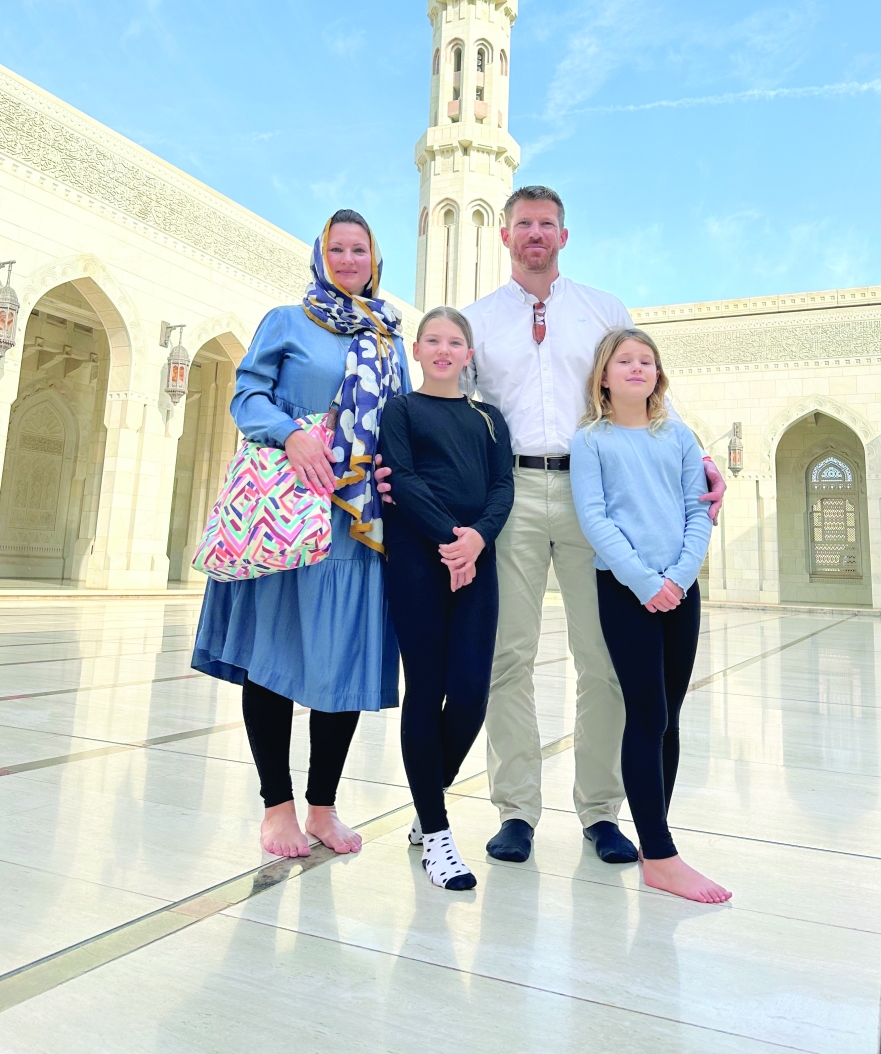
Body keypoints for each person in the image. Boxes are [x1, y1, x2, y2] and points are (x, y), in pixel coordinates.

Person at [449, 184, 725, 865]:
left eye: (546, 224)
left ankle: (601, 811)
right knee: (509, 655)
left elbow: (643, 389)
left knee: (602, 660)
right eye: (523, 224)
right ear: (505, 235)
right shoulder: (478, 320)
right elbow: (456, 409)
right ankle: (516, 810)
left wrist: (699, 459)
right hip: (511, 491)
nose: (535, 234)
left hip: (593, 494)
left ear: (563, 236)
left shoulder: (603, 309)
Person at [192, 210, 409, 859]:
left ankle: (322, 807)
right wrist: (292, 434)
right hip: (289, 509)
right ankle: (277, 807)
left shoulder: (388, 338)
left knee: (341, 658)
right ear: (320, 257)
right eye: (336, 249)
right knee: (276, 654)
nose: (348, 260)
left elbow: (399, 421)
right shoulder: (287, 321)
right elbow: (247, 397)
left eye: (358, 249)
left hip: (356, 520)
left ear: (375, 260)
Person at [571, 328, 729, 902]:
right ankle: (661, 857)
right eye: (624, 361)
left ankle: (653, 841)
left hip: (680, 591)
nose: (637, 368)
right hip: (624, 590)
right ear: (604, 376)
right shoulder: (591, 441)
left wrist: (679, 578)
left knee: (671, 717)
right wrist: (644, 581)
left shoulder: (679, 437)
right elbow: (595, 519)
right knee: (646, 713)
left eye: (647, 361)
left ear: (658, 375)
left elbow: (698, 508)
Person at [379, 308, 513, 891]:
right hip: (417, 560)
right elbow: (403, 480)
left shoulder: (488, 419)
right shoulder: (402, 410)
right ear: (416, 350)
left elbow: (503, 485)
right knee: (425, 689)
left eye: (454, 342)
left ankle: (425, 796)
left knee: (471, 695)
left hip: (477, 561)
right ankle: (435, 834)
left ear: (468, 354)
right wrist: (450, 542)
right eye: (432, 340)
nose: (443, 349)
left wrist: (476, 540)